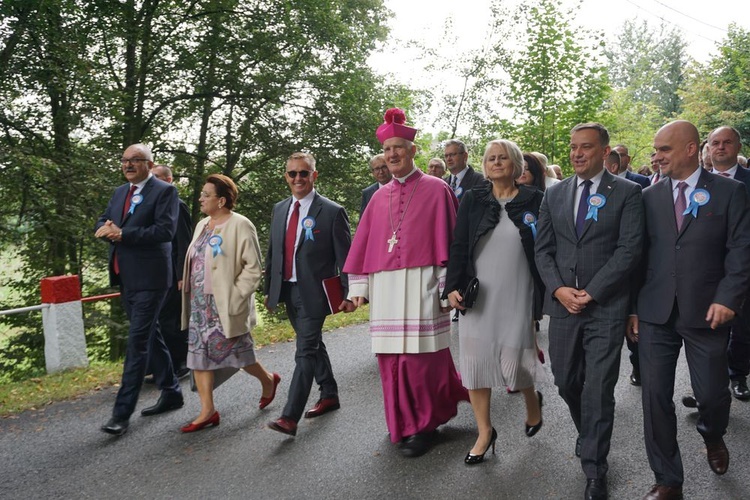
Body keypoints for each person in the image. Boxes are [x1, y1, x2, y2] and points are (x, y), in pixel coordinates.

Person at [628, 120, 750, 500]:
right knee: (655, 397)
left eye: (664, 149)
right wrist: (633, 308)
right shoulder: (647, 197)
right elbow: (637, 257)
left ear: (689, 149)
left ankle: (713, 434)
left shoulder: (730, 192)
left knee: (712, 395)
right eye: (655, 150)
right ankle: (668, 480)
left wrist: (728, 297)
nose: (657, 157)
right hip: (655, 312)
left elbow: (741, 250)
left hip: (708, 311)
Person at [344, 108, 469, 458]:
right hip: (386, 288)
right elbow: (364, 245)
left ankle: (425, 425)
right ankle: (400, 422)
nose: (393, 155)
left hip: (422, 285)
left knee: (420, 361)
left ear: (412, 150)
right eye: (387, 150)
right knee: (391, 359)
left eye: (398, 148)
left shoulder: (436, 189)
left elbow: (450, 243)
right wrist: (358, 289)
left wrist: (447, 288)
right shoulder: (378, 197)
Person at [535, 123, 644, 500]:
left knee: (599, 388)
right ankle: (589, 432)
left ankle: (596, 468)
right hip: (564, 305)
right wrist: (560, 289)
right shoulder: (555, 193)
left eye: (585, 148)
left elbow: (629, 250)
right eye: (573, 148)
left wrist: (593, 292)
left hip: (606, 306)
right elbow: (542, 249)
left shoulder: (628, 192)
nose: (577, 154)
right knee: (566, 381)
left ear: (603, 152)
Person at [444, 139, 544, 465]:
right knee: (476, 366)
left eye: (503, 158)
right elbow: (459, 245)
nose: (496, 162)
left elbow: (545, 250)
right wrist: (452, 288)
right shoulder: (473, 199)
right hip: (479, 294)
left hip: (519, 291)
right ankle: (485, 431)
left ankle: (532, 402)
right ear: (485, 166)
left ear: (516, 165)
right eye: (491, 158)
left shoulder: (536, 200)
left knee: (515, 365)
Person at [178, 174, 279, 432]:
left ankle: (268, 380)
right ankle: (207, 410)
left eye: (206, 195)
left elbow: (253, 268)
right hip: (200, 306)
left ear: (221, 200)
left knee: (239, 354)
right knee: (198, 356)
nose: (200, 198)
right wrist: (187, 280)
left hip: (226, 305)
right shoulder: (202, 225)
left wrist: (236, 296)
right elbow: (197, 258)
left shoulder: (240, 225)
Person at [95, 143, 183, 436]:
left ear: (149, 163)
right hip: (125, 277)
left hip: (152, 279)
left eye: (135, 160)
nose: (128, 165)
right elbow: (102, 220)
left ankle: (121, 414)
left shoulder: (164, 191)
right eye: (124, 160)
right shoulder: (120, 192)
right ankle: (171, 391)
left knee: (137, 344)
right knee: (150, 335)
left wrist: (122, 233)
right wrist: (106, 230)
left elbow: (165, 231)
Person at [265, 152, 355, 437]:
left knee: (304, 351)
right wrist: (270, 292)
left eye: (304, 173)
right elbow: (273, 253)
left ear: (314, 175)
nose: (298, 178)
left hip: (315, 293)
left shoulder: (331, 211)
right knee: (313, 343)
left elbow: (347, 257)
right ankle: (329, 393)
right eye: (292, 174)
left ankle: (289, 417)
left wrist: (349, 292)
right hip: (287, 290)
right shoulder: (280, 209)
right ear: (286, 177)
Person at [145, 165, 192, 382]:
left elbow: (184, 242)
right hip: (157, 272)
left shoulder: (177, 206)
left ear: (169, 180)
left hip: (175, 272)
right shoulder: (153, 206)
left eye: (157, 178)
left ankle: (181, 362)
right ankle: (159, 364)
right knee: (157, 319)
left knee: (171, 320)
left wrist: (183, 273)